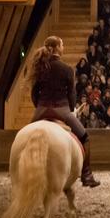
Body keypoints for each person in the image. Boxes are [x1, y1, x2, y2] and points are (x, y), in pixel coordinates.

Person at [29, 36, 100, 187]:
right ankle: (86, 174)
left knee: (27, 136)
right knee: (85, 138)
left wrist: (39, 107)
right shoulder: (67, 69)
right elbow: (72, 95)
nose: (63, 47)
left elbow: (34, 94)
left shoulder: (40, 67)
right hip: (61, 110)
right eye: (62, 45)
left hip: (41, 110)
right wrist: (72, 109)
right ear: (56, 48)